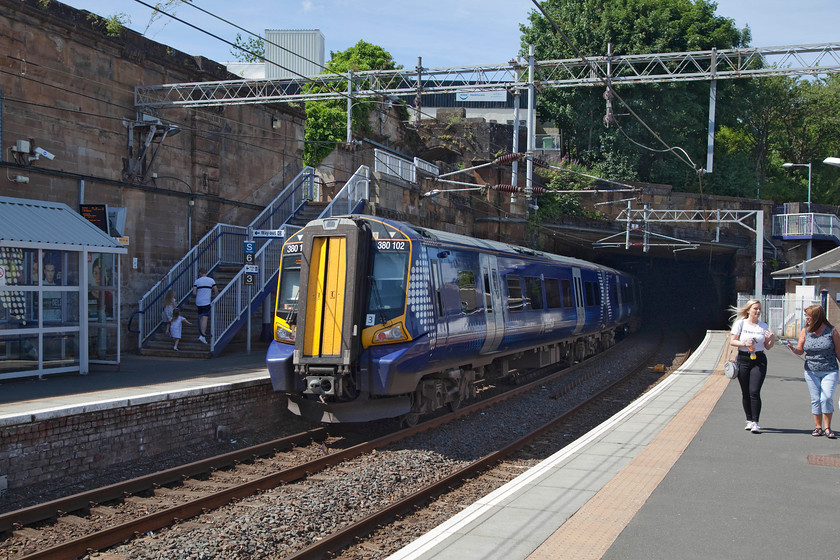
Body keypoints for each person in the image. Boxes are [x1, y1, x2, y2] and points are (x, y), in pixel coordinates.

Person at [787, 305, 840, 439]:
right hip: (811, 371)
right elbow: (800, 349)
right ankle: (818, 427)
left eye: (808, 315)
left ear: (816, 316)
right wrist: (794, 349)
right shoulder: (805, 331)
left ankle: (828, 427)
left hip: (830, 370)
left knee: (826, 397)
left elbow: (838, 352)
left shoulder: (831, 331)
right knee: (816, 399)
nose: (806, 318)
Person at [730, 299, 776, 433]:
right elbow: (732, 341)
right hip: (744, 358)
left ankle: (756, 422)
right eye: (755, 308)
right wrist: (745, 343)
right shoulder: (740, 324)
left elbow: (768, 346)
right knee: (745, 392)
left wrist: (771, 339)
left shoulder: (764, 326)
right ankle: (748, 420)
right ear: (748, 310)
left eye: (759, 309)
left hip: (759, 359)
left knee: (754, 391)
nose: (758, 311)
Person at [192, 267, 218, 344]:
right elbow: (216, 291)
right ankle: (203, 335)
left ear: (200, 273)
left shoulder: (197, 281)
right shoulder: (211, 280)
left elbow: (194, 293)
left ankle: (201, 334)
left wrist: (199, 294)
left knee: (201, 317)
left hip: (199, 302)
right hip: (206, 302)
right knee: (205, 318)